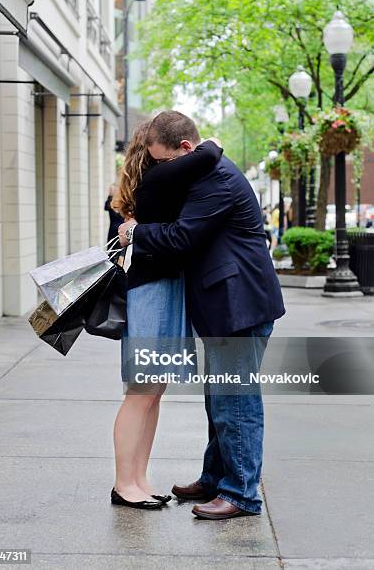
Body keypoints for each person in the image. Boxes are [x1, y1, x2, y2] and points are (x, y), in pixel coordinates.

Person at [119, 110, 285, 520]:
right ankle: (215, 479)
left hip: (239, 306)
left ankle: (241, 494)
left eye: (162, 161)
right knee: (219, 400)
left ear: (185, 149)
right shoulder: (206, 171)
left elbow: (181, 236)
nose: (161, 169)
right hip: (226, 304)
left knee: (236, 401)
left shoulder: (218, 182)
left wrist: (135, 232)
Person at [111, 119, 223, 510]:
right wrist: (211, 140)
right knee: (142, 392)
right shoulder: (159, 180)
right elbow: (210, 152)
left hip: (165, 291)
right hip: (152, 293)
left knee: (154, 392)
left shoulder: (157, 179)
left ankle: (139, 479)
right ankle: (124, 484)